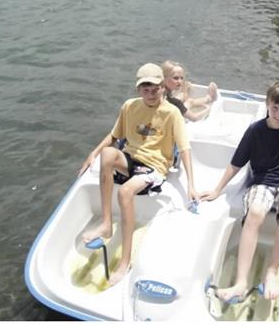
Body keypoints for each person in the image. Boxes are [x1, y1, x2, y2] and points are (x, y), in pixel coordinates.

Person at [199, 80, 279, 302]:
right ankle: (241, 282)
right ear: (267, 104)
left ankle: (272, 272)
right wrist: (216, 190)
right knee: (257, 211)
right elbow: (236, 163)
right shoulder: (255, 130)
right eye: (275, 108)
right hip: (262, 182)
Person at [78, 63, 197, 285]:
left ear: (163, 87)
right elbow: (114, 136)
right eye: (145, 89)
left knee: (125, 192)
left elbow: (184, 148)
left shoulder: (172, 113)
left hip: (154, 166)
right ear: (138, 90)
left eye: (155, 89)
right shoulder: (129, 107)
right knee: (107, 154)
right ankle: (105, 223)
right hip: (131, 158)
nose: (150, 94)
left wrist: (191, 185)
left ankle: (125, 261)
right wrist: (92, 154)